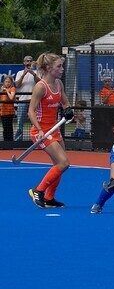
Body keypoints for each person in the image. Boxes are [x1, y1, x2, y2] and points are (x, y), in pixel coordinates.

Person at [27, 53, 75, 208]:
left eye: (62, 66)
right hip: (41, 131)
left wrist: (68, 110)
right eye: (59, 66)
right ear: (48, 68)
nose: (62, 69)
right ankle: (38, 190)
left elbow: (65, 102)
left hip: (54, 129)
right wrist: (40, 130)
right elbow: (31, 111)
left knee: (58, 164)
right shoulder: (40, 87)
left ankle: (49, 198)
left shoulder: (59, 84)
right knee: (64, 163)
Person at [14, 55, 40, 141]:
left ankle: (36, 140)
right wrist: (24, 75)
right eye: (27, 61)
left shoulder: (37, 72)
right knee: (20, 122)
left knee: (36, 121)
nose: (28, 63)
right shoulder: (19, 73)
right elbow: (17, 85)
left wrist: (33, 74)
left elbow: (40, 83)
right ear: (24, 63)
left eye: (30, 61)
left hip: (34, 101)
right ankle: (18, 141)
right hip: (22, 100)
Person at [0, 75, 16, 141]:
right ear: (4, 82)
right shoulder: (1, 89)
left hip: (9, 112)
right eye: (6, 82)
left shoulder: (12, 88)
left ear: (11, 83)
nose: (7, 83)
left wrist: (6, 91)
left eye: (9, 82)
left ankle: (10, 144)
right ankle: (5, 144)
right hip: (2, 112)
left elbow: (11, 97)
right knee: (5, 128)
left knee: (9, 128)